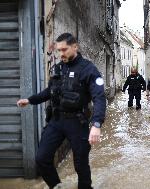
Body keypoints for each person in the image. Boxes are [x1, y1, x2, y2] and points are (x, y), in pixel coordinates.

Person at [17, 33, 106, 189]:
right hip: (56, 121)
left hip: (77, 123)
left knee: (80, 165)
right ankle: (56, 186)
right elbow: (49, 91)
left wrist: (96, 124)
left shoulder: (88, 69)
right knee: (42, 158)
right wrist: (31, 100)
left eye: (64, 50)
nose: (61, 54)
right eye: (58, 50)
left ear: (75, 47)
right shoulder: (58, 68)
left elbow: (99, 97)